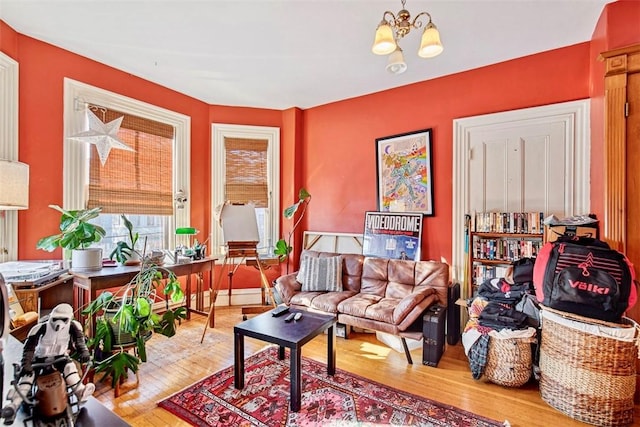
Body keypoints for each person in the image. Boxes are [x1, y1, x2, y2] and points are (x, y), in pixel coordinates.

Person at [1, 303, 94, 423]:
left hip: (60, 358)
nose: (59, 323)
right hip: (39, 360)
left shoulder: (74, 327)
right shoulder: (40, 328)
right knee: (27, 379)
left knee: (70, 369)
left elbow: (79, 343)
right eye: (56, 319)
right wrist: (26, 364)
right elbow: (29, 348)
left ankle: (80, 391)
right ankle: (13, 406)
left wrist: (84, 353)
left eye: (64, 319)